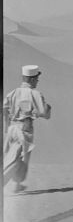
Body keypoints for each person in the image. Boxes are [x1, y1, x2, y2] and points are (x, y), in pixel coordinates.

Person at [3, 65, 52, 193]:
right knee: (18, 159)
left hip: (12, 128)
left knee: (14, 156)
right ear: (31, 79)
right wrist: (48, 108)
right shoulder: (34, 94)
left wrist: (7, 125)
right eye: (36, 79)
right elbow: (44, 113)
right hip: (25, 129)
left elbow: (4, 108)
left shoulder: (13, 92)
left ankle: (17, 184)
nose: (37, 81)